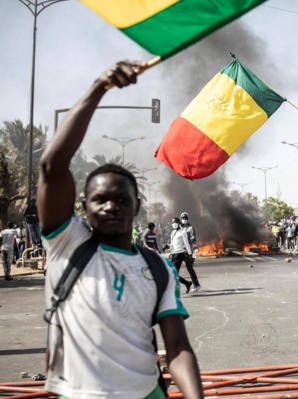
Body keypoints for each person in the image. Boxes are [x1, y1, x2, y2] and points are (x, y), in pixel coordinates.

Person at [38, 61, 203, 398]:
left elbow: (177, 348)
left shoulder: (158, 267)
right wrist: (100, 86)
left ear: (137, 207)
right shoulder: (66, 244)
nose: (111, 206)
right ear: (84, 208)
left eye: (121, 199)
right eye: (100, 199)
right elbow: (53, 167)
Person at [170, 217, 200, 293]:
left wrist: (190, 254)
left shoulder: (185, 230)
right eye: (173, 223)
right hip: (175, 254)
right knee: (173, 272)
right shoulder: (173, 232)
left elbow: (187, 243)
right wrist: (168, 248)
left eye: (176, 223)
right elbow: (173, 244)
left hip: (183, 253)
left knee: (188, 269)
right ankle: (187, 283)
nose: (174, 224)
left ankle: (195, 284)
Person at [180, 212, 201, 290]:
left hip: (187, 251)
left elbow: (194, 239)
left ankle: (196, 285)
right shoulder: (179, 227)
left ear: (187, 219)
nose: (184, 220)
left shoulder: (191, 228)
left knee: (189, 268)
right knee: (174, 268)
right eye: (182, 218)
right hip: (179, 250)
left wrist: (187, 240)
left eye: (185, 218)